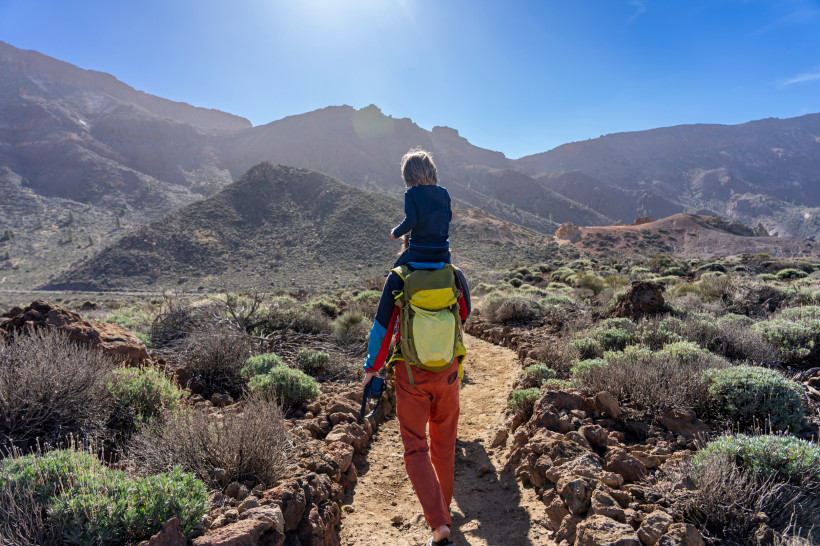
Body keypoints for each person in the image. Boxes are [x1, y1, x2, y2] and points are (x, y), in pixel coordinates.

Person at [362, 260, 470, 546]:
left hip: (411, 375)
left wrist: (372, 368)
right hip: (447, 373)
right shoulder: (454, 274)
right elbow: (465, 313)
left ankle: (438, 523)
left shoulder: (398, 278)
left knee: (415, 446)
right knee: (444, 447)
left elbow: (382, 328)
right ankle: (443, 514)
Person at [391, 148, 452, 268]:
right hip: (443, 253)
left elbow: (411, 221)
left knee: (393, 274)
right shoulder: (444, 193)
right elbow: (448, 217)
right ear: (432, 171)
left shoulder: (411, 193)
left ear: (408, 174)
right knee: (457, 277)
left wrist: (395, 233)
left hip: (419, 251)